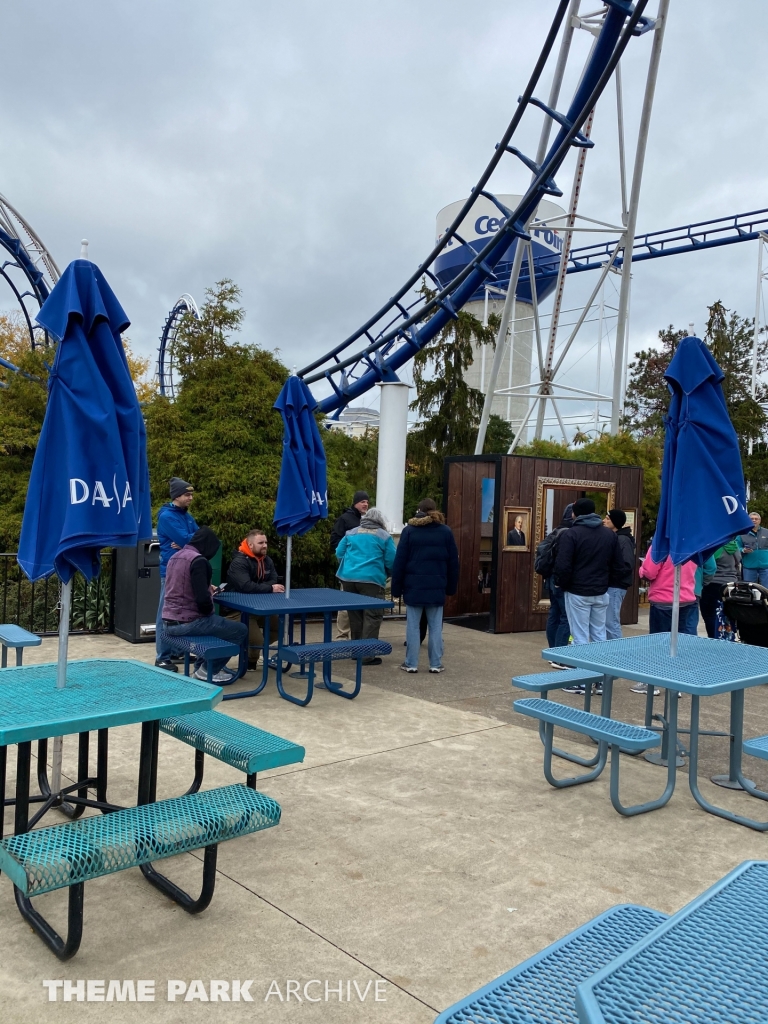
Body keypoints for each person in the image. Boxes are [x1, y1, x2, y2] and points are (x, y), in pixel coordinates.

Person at [552, 498, 624, 695]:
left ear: (575, 513)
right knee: (599, 635)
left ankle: (583, 682)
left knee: (580, 636)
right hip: (601, 592)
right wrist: (605, 583)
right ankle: (600, 681)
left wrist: (562, 583)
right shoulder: (609, 535)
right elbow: (619, 565)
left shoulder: (572, 533)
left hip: (578, 592)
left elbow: (563, 564)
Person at [162, 526, 247, 683]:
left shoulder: (176, 557)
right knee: (239, 630)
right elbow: (202, 601)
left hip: (168, 622)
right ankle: (208, 670)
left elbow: (182, 586)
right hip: (188, 622)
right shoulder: (199, 561)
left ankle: (201, 668)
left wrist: (207, 588)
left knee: (216, 627)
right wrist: (209, 609)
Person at [391, 498, 459, 674]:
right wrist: (451, 587)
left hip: (413, 586)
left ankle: (411, 663)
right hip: (437, 586)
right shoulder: (445, 532)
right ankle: (435, 663)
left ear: (419, 510)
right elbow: (453, 563)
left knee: (413, 626)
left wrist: (396, 589)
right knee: (436, 627)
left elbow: (399, 562)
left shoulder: (409, 531)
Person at [335, 507, 396, 664]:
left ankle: (356, 652)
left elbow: (339, 552)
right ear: (380, 521)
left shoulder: (351, 533)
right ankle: (367, 655)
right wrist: (386, 573)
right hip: (371, 580)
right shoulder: (384, 536)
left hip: (348, 579)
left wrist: (349, 565)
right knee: (372, 616)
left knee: (355, 615)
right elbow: (391, 560)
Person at [637, 551, 698, 696]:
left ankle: (652, 682)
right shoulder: (691, 544)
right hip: (686, 596)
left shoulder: (661, 545)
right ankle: (675, 683)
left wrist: (641, 569)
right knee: (678, 643)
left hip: (662, 598)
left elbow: (649, 572)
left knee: (657, 643)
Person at [155, 477, 199, 671]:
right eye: (187, 494)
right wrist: (187, 540)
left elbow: (201, 538)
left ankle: (176, 651)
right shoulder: (167, 517)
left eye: (191, 494)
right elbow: (189, 538)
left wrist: (187, 541)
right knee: (166, 614)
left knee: (183, 613)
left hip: (187, 569)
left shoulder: (186, 515)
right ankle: (162, 657)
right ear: (177, 496)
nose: (191, 498)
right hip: (172, 572)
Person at [226, 530, 284, 669]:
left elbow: (274, 579)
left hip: (260, 607)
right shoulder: (239, 562)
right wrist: (269, 588)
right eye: (261, 543)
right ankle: (250, 661)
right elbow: (246, 586)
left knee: (278, 628)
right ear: (250, 545)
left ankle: (252, 649)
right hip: (239, 610)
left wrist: (261, 587)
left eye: (266, 542)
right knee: (256, 640)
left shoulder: (267, 560)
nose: (265, 545)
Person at [330, 490, 370, 640]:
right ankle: (342, 635)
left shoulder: (365, 521)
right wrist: (346, 556)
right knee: (346, 604)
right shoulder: (345, 519)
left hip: (363, 569)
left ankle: (358, 636)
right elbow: (335, 540)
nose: (365, 504)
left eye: (367, 502)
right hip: (349, 567)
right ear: (355, 503)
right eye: (362, 502)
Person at [538, 503, 573, 667]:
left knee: (554, 614)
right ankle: (560, 655)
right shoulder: (568, 534)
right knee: (566, 617)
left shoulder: (556, 531)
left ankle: (552, 651)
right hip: (559, 580)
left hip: (550, 578)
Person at [602, 509, 636, 641]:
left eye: (608, 519)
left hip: (616, 586)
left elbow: (627, 565)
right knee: (606, 622)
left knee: (611, 622)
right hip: (611, 585)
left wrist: (610, 574)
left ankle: (616, 651)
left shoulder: (623, 540)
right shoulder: (615, 538)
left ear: (615, 522)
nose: (604, 521)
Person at [699, 540, 741, 639]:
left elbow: (709, 566)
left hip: (713, 584)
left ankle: (714, 639)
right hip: (730, 585)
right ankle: (727, 638)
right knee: (727, 615)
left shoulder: (714, 547)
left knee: (710, 615)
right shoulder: (734, 546)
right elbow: (738, 563)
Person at [740, 512, 768, 586]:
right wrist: (743, 550)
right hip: (749, 568)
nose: (754, 520)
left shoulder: (766, 532)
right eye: (751, 519)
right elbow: (737, 548)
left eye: (756, 519)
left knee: (766, 590)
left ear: (760, 520)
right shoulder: (742, 534)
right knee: (749, 590)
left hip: (765, 568)